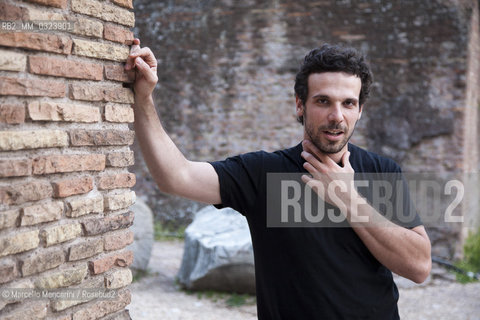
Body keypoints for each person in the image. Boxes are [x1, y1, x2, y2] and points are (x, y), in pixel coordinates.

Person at [125, 38, 431, 319]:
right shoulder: (264, 173)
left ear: (360, 109)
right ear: (300, 104)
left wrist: (348, 197)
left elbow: (418, 267)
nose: (337, 115)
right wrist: (143, 98)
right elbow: (176, 176)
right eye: (323, 101)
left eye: (348, 103)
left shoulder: (382, 171)